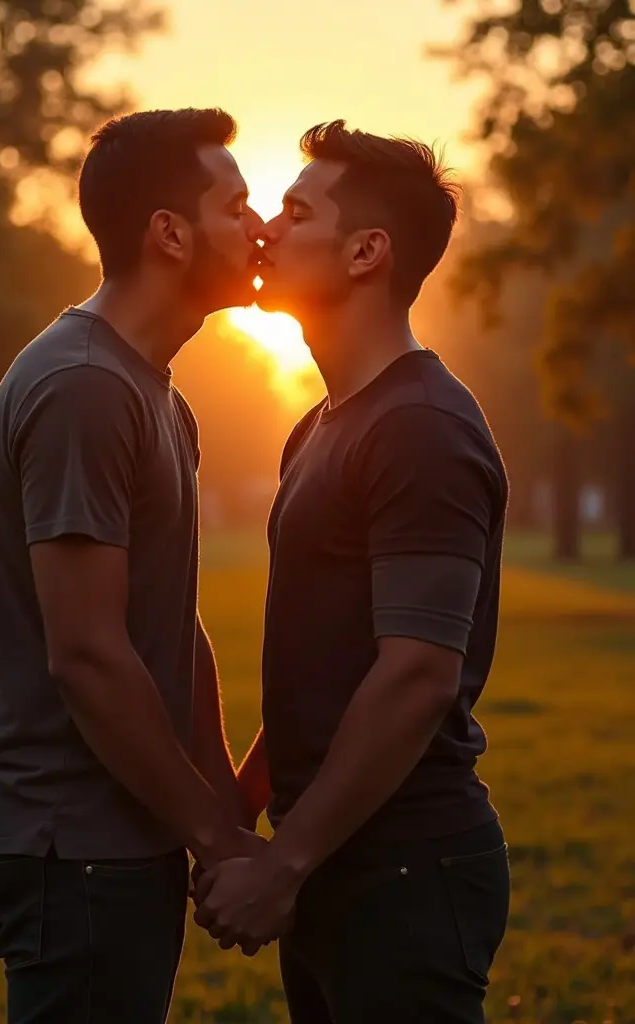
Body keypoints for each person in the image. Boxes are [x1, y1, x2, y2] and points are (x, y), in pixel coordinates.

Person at [193, 121, 511, 1023]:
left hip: (406, 868)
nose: (265, 230)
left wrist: (283, 862)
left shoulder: (420, 428)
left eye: (296, 213)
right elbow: (326, 670)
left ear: (368, 252)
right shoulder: (325, 423)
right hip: (335, 856)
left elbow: (415, 673)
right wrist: (241, 819)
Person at [0, 107, 265, 1024]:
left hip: (115, 834)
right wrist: (214, 841)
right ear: (169, 233)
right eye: (237, 205)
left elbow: (170, 627)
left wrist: (225, 820)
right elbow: (88, 655)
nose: (260, 228)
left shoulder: (152, 391)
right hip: (70, 842)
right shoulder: (85, 390)